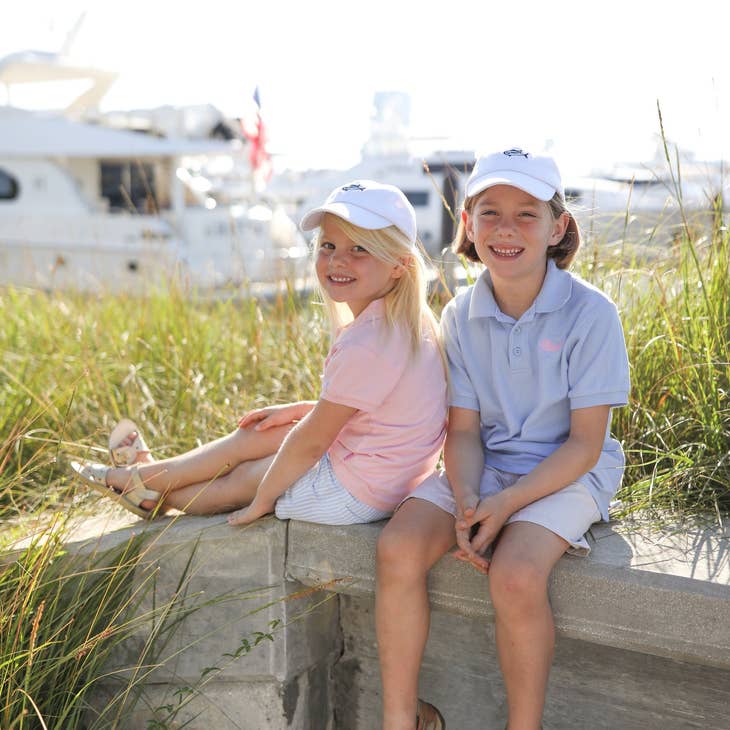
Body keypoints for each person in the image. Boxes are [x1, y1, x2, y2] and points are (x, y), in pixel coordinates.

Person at [376, 148, 630, 730]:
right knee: (396, 547)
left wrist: (504, 506)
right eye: (489, 213)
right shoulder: (460, 315)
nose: (506, 229)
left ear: (557, 227)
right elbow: (462, 432)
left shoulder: (592, 315)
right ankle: (398, 719)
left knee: (515, 575)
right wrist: (468, 502)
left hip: (568, 472)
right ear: (467, 225)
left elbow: (585, 446)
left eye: (527, 214)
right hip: (486, 467)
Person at [71, 180, 447, 527]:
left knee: (248, 477)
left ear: (400, 264)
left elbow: (313, 441)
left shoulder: (369, 343)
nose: (337, 261)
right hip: (386, 475)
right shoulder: (409, 323)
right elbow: (365, 411)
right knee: (261, 433)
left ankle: (150, 491)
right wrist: (298, 411)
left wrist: (262, 500)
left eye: (359, 250)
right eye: (328, 246)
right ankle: (152, 475)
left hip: (353, 494)